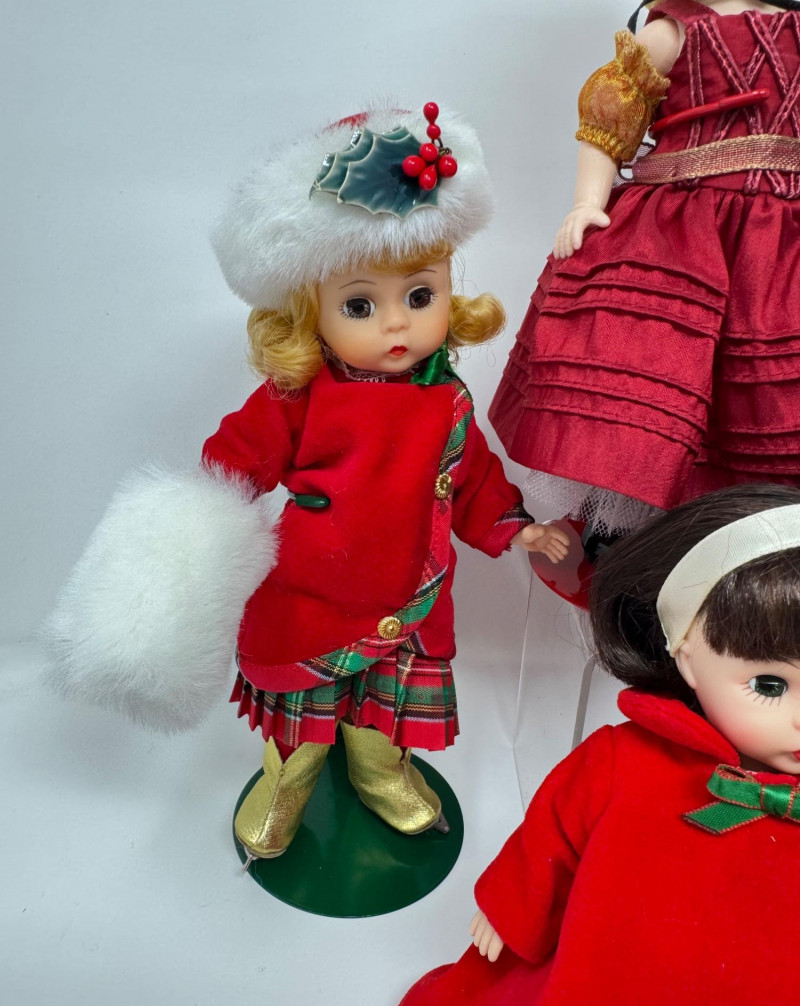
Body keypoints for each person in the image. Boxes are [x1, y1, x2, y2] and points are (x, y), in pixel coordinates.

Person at [45, 103, 568, 863]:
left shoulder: (447, 400)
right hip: (313, 595)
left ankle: (380, 773)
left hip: (409, 597)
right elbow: (234, 459)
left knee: (382, 718)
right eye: (360, 305)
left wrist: (516, 527)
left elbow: (474, 478)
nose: (396, 323)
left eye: (420, 295)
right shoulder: (299, 398)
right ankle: (286, 781)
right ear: (310, 314)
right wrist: (196, 531)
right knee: (302, 719)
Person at [388, 482, 800, 1006]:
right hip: (616, 980)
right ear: (686, 658)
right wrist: (512, 908)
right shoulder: (625, 760)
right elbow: (552, 834)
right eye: (769, 685)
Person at [489, 0, 800, 543]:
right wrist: (587, 202)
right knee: (660, 383)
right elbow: (609, 115)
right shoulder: (675, 31)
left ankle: (756, 545)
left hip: (781, 247)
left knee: (768, 394)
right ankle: (644, 547)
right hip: (682, 236)